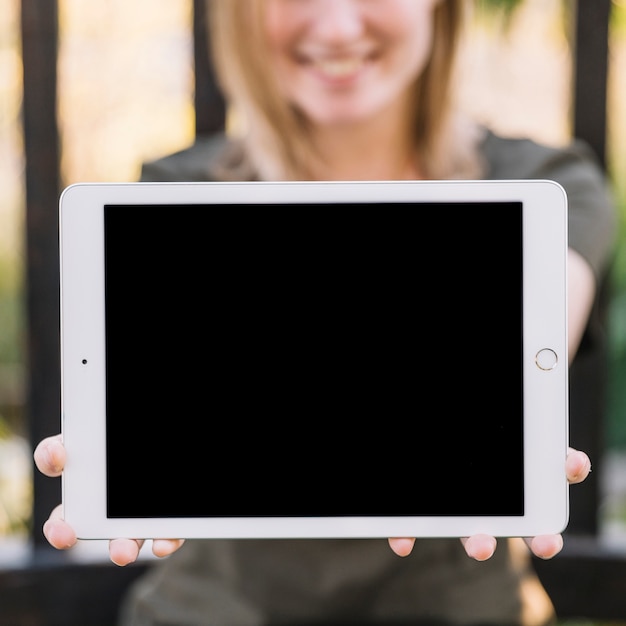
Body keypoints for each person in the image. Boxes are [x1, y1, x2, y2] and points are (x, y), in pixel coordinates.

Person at [35, 1, 616, 624]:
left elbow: (533, 336)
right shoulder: (177, 197)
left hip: (457, 605)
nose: (338, 26)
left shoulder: (543, 186)